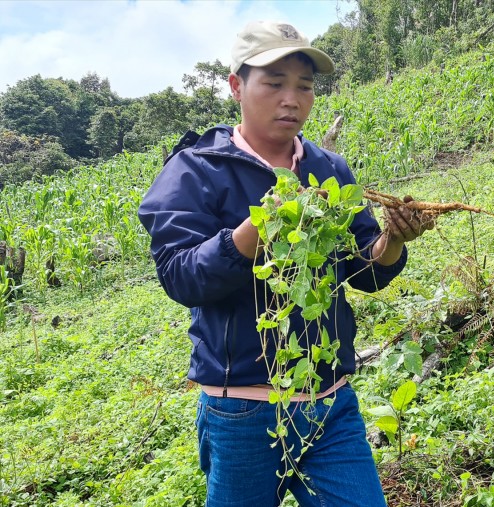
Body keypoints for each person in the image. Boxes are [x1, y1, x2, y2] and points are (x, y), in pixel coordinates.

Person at [138, 20, 432, 507]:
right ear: (237, 86)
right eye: (274, 84)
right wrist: (252, 235)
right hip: (242, 410)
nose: (291, 99)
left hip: (330, 401)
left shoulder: (329, 169)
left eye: (305, 86)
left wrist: (393, 242)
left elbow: (364, 269)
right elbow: (180, 275)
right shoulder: (196, 169)